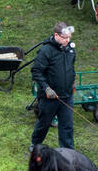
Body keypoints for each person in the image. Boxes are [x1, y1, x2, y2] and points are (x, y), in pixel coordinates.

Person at [30, 21, 76, 149]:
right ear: (56, 35)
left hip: (67, 95)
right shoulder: (46, 51)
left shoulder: (70, 50)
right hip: (49, 97)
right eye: (65, 38)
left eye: (69, 37)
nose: (67, 40)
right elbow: (36, 71)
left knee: (67, 125)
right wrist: (46, 88)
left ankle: (68, 150)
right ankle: (35, 144)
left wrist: (72, 83)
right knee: (44, 123)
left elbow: (71, 68)